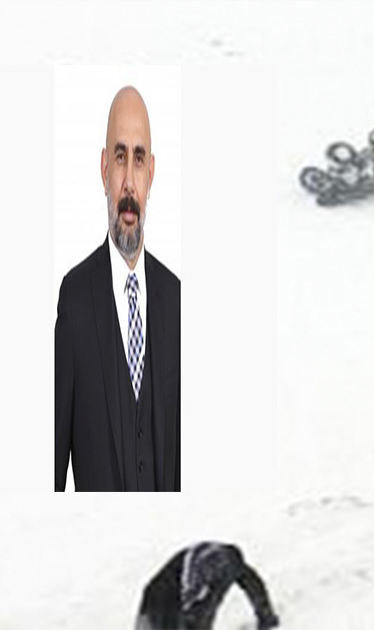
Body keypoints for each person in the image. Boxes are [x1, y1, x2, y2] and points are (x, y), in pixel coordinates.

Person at [55, 86, 181, 492]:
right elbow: (53, 462)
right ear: (105, 169)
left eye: (139, 160)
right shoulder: (75, 297)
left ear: (152, 174)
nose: (129, 182)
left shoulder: (176, 300)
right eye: (121, 158)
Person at [136, 542, 279, 630]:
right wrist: (266, 616)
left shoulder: (228, 563)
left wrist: (266, 616)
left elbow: (254, 585)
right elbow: (198, 608)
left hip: (161, 591)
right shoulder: (222, 564)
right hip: (162, 594)